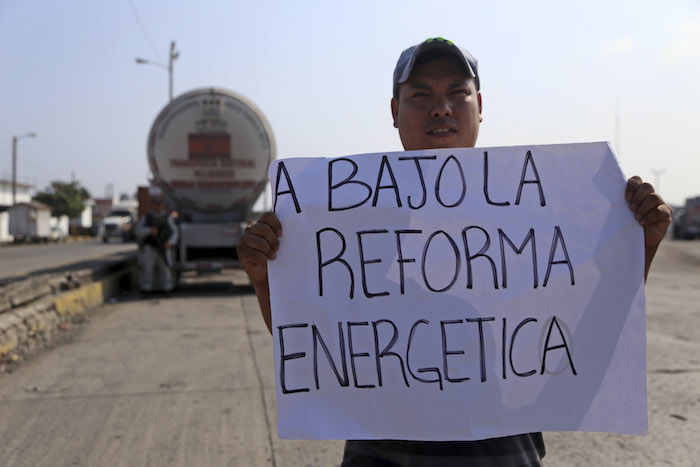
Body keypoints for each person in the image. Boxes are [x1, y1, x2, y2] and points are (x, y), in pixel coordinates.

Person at [237, 37, 672, 466]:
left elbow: (587, 330)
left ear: (479, 105)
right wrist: (263, 274)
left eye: (457, 94)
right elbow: (320, 344)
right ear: (394, 111)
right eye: (420, 94)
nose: (440, 107)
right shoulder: (345, 217)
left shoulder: (536, 214)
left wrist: (642, 245)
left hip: (503, 455)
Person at [135, 198, 179, 294]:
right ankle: (146, 289)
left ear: (162, 205)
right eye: (155, 204)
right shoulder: (146, 217)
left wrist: (170, 242)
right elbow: (138, 231)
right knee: (147, 269)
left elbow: (174, 232)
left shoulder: (168, 217)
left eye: (159, 204)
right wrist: (149, 231)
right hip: (150, 247)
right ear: (152, 205)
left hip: (163, 247)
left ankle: (167, 288)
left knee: (165, 270)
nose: (157, 206)